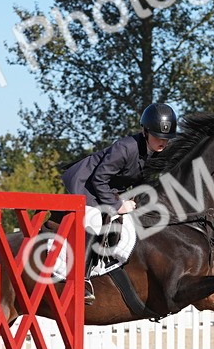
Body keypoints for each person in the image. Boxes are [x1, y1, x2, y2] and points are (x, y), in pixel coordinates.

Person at [61, 103, 178, 304]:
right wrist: (117, 206)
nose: (162, 142)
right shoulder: (125, 148)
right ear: (145, 132)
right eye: (157, 136)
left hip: (108, 186)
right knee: (96, 219)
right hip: (85, 182)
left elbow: (142, 182)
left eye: (166, 138)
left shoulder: (157, 152)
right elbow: (99, 179)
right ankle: (79, 280)